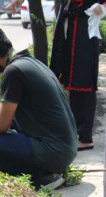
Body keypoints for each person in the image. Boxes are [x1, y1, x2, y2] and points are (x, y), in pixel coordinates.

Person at [0, 27, 77, 189]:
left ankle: (41, 176)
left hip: (54, 153)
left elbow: (1, 125)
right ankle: (36, 164)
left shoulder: (13, 72)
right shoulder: (27, 60)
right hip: (66, 146)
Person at [50, 0, 106, 151]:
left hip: (84, 36)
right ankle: (78, 134)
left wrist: (99, 8)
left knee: (84, 85)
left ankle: (85, 137)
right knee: (73, 85)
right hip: (73, 33)